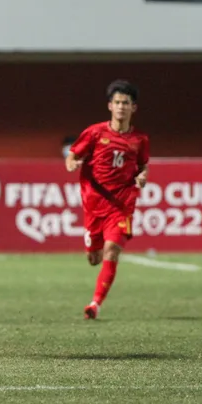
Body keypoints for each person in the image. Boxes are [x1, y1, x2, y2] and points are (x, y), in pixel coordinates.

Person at [66, 80, 149, 320]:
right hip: (94, 204)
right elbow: (73, 154)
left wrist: (142, 177)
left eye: (126, 103)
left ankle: (95, 304)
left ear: (134, 108)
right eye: (117, 102)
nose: (121, 107)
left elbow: (143, 166)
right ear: (110, 106)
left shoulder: (140, 139)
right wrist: (72, 164)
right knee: (94, 258)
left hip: (122, 205)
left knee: (112, 250)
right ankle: (93, 249)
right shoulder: (95, 133)